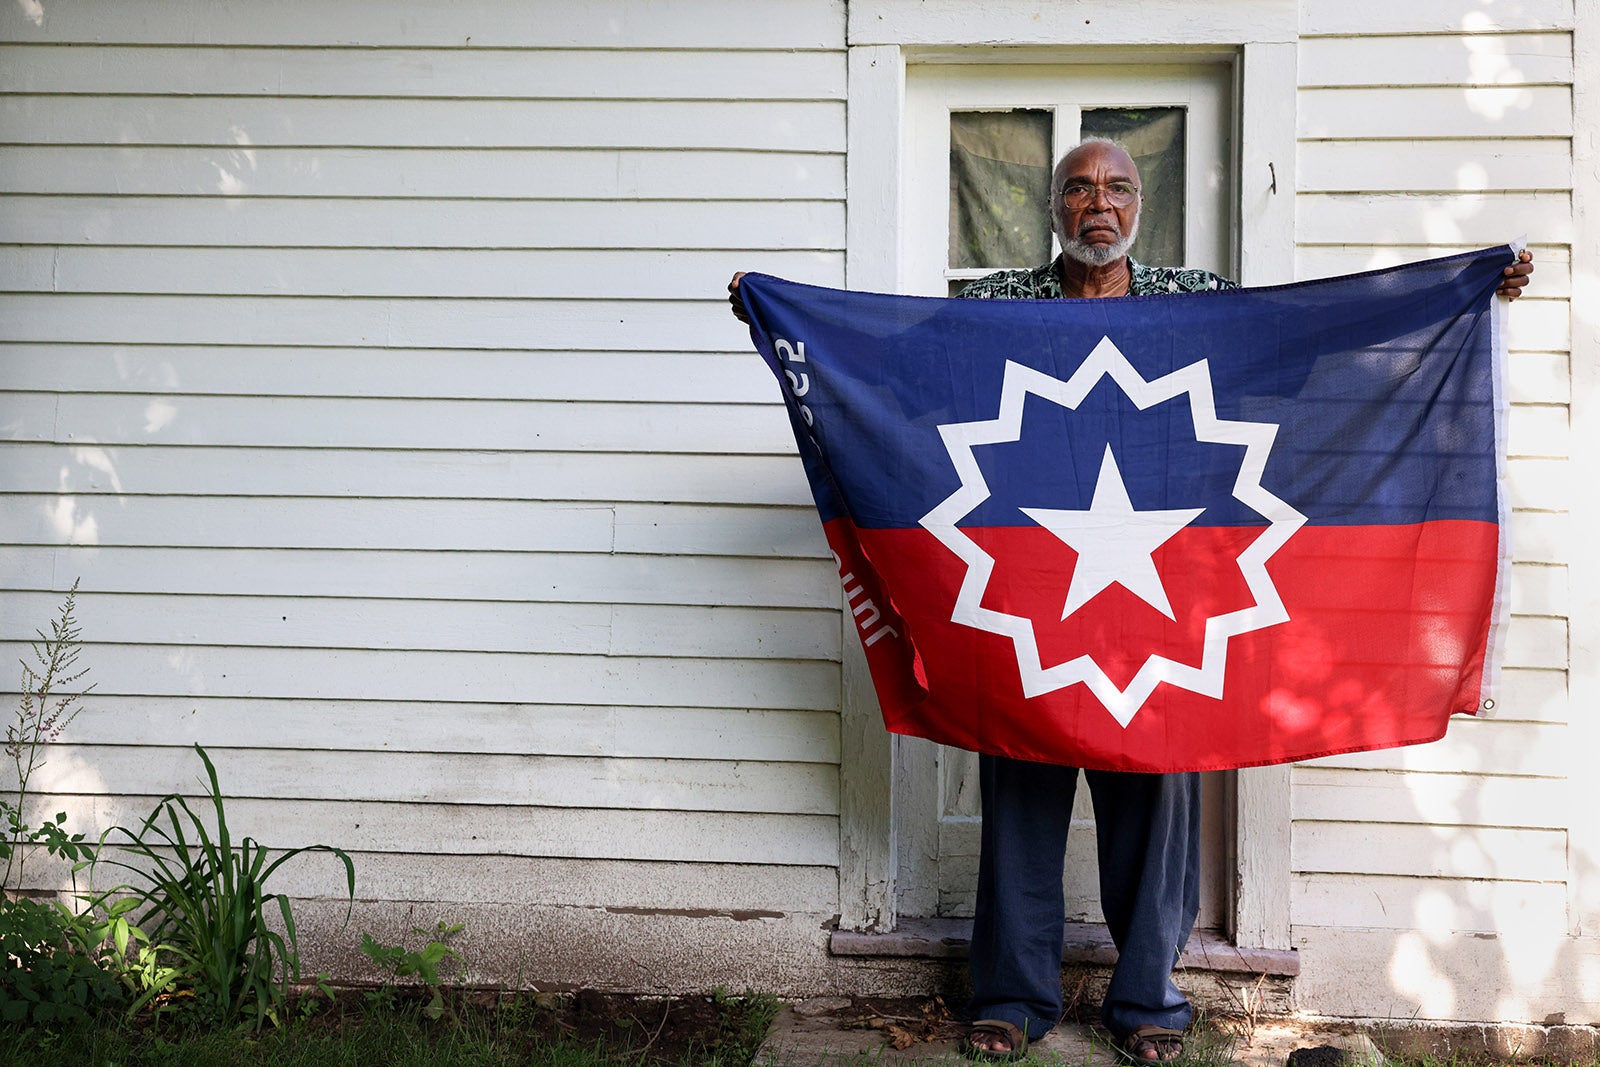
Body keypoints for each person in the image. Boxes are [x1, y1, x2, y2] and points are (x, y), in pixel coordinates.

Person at [729, 138, 1533, 1063]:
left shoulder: (1197, 302)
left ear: (1139, 205)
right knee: (1021, 791)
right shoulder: (993, 308)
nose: (1096, 206)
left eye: (1115, 188)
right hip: (1025, 590)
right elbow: (898, 371)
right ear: (1055, 206)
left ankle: (1148, 1001)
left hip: (1170, 592)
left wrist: (1461, 292)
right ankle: (1011, 996)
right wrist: (781, 313)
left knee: (1156, 802)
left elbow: (1306, 346)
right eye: (1078, 189)